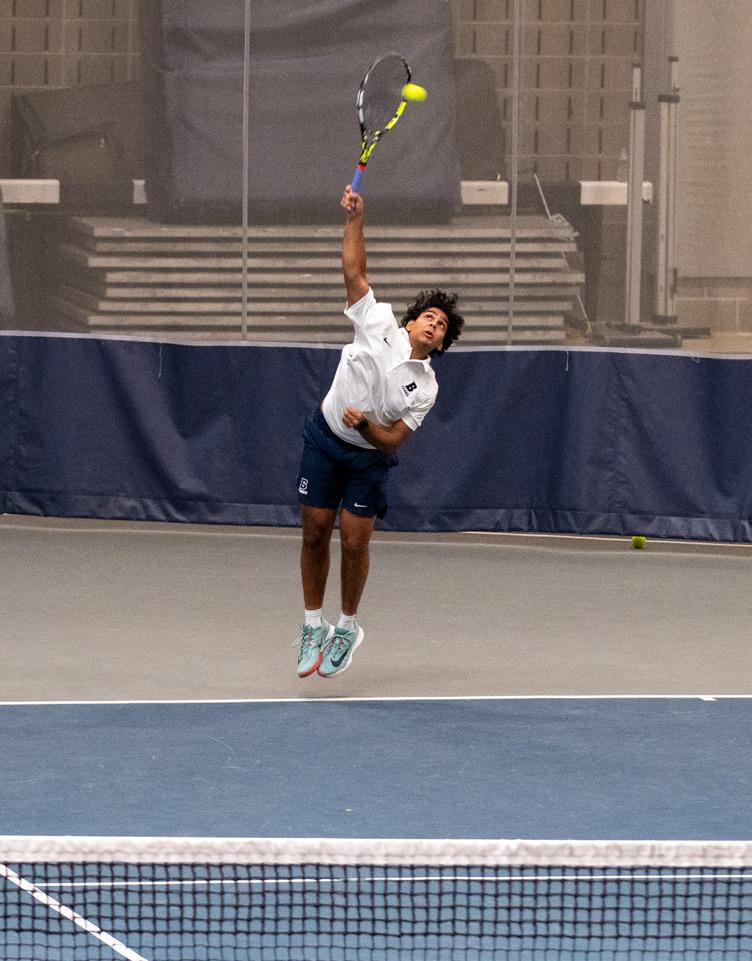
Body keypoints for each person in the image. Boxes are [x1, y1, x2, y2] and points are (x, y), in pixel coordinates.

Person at [293, 184, 465, 678]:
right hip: (324, 439)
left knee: (354, 543)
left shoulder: (426, 388)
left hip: (368, 459)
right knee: (314, 532)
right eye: (429, 317)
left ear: (440, 345)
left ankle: (346, 627)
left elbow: (391, 442)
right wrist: (355, 218)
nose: (434, 325)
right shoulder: (378, 321)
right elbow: (354, 271)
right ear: (410, 322)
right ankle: (312, 625)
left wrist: (368, 426)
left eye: (442, 327)